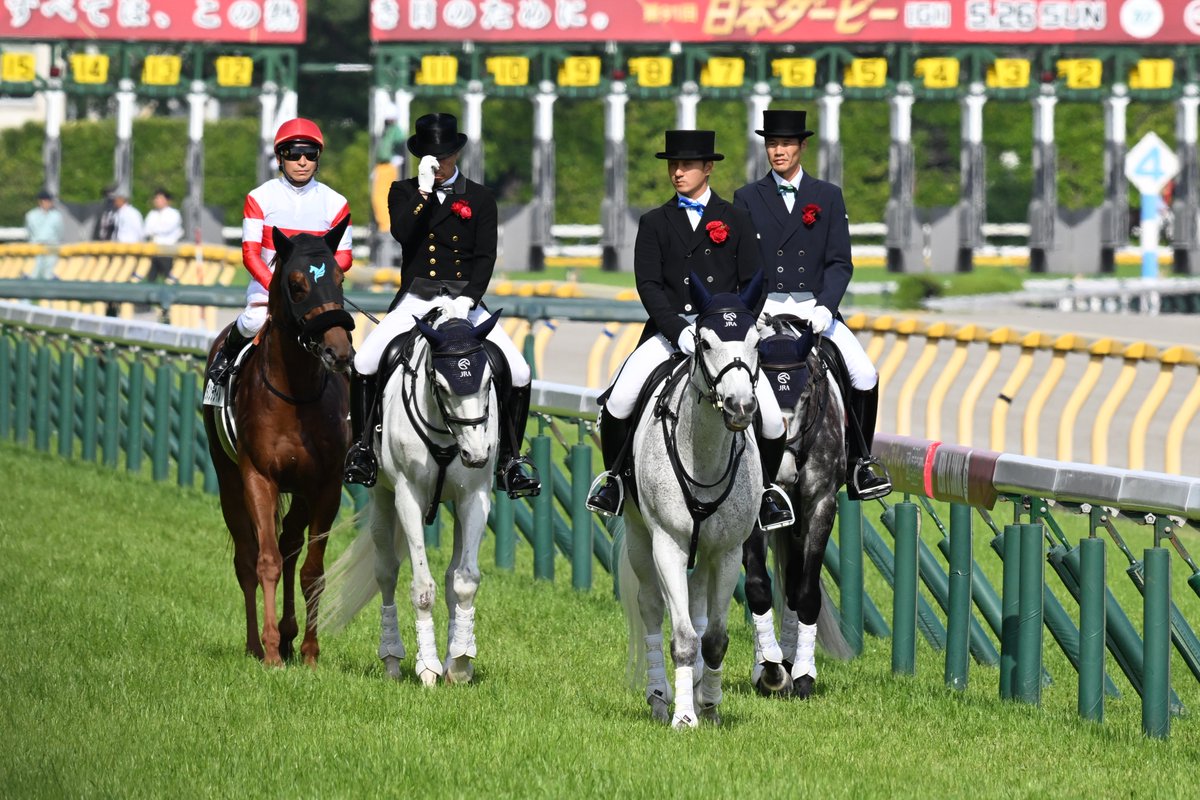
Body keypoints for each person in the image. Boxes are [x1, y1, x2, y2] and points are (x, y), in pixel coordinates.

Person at [585, 129, 794, 531]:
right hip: (670, 334)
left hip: (725, 339)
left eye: (687, 165)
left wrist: (735, 329)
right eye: (673, 165)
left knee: (770, 419)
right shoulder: (653, 222)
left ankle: (766, 493)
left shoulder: (736, 219)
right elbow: (648, 284)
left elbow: (756, 282)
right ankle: (616, 482)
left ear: (708, 168)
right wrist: (678, 329)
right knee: (618, 402)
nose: (678, 172)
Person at [344, 112, 540, 499]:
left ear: (456, 154)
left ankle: (510, 460)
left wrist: (469, 300)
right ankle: (364, 449)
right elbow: (403, 233)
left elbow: (485, 257)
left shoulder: (480, 198)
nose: (440, 163)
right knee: (365, 361)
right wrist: (422, 193)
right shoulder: (403, 191)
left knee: (518, 370)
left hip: (466, 300)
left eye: (445, 156)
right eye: (432, 157)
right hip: (417, 297)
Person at [733, 109, 891, 500]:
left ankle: (859, 464)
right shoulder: (747, 197)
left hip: (814, 310)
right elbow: (741, 263)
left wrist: (826, 306)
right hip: (765, 310)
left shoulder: (827, 196)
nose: (778, 151)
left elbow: (840, 262)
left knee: (865, 374)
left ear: (802, 146)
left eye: (785, 143)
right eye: (772, 144)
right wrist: (751, 309)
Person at [207, 118, 353, 386]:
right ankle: (225, 360)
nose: (302, 161)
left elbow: (344, 257)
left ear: (318, 158)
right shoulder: (259, 198)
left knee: (342, 342)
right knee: (252, 321)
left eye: (310, 154)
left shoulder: (336, 202)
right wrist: (278, 286)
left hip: (318, 296)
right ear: (280, 157)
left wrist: (316, 281)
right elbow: (250, 255)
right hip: (268, 291)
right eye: (293, 153)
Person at [142, 187, 184, 283]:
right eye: (156, 198)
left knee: (168, 278)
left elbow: (165, 229)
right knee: (151, 278)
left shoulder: (173, 214)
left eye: (160, 198)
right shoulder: (152, 214)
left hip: (167, 252)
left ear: (167, 200)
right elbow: (146, 230)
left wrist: (153, 230)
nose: (157, 201)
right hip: (153, 251)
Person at [25, 189, 63, 280]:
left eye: (49, 201)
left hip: (52, 246)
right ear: (40, 202)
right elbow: (29, 232)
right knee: (34, 272)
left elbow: (59, 232)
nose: (48, 203)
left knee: (50, 272)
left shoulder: (57, 216)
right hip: (36, 245)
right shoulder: (31, 215)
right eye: (45, 201)